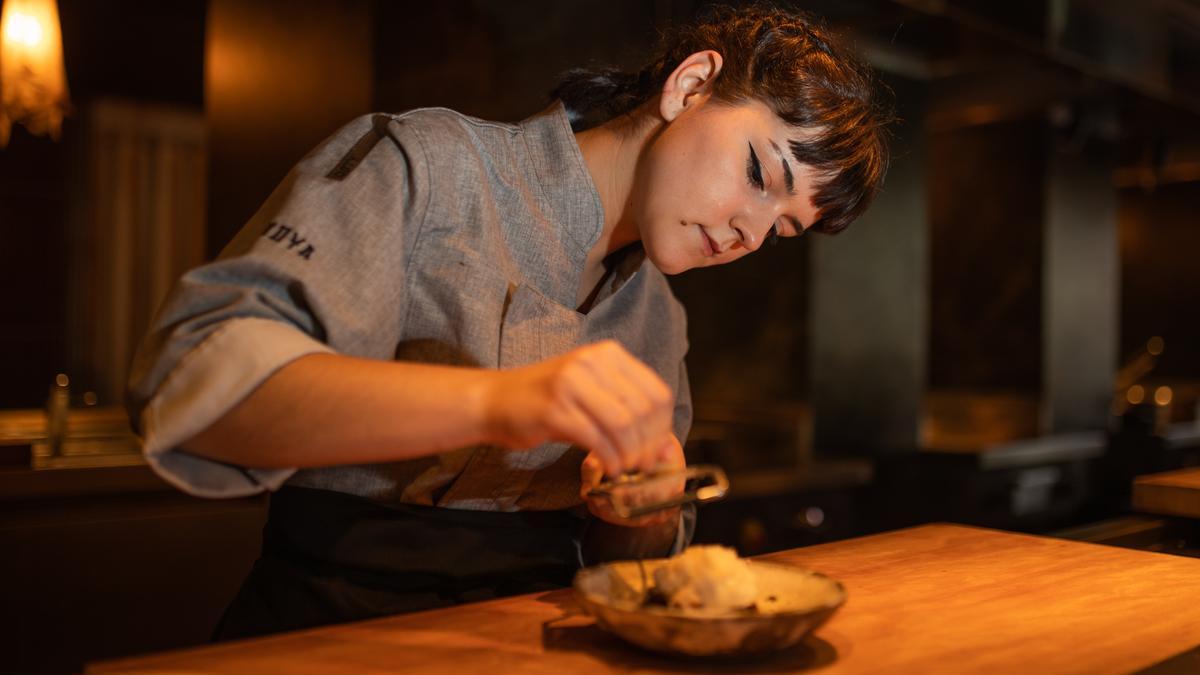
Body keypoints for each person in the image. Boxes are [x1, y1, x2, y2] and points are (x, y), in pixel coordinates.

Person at [127, 4, 890, 639]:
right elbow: (192, 384)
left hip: (537, 644)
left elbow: (625, 562)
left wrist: (640, 508)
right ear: (691, 85)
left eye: (780, 230)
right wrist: (506, 402)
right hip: (325, 627)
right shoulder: (431, 165)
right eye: (760, 175)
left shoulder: (659, 318)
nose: (747, 234)